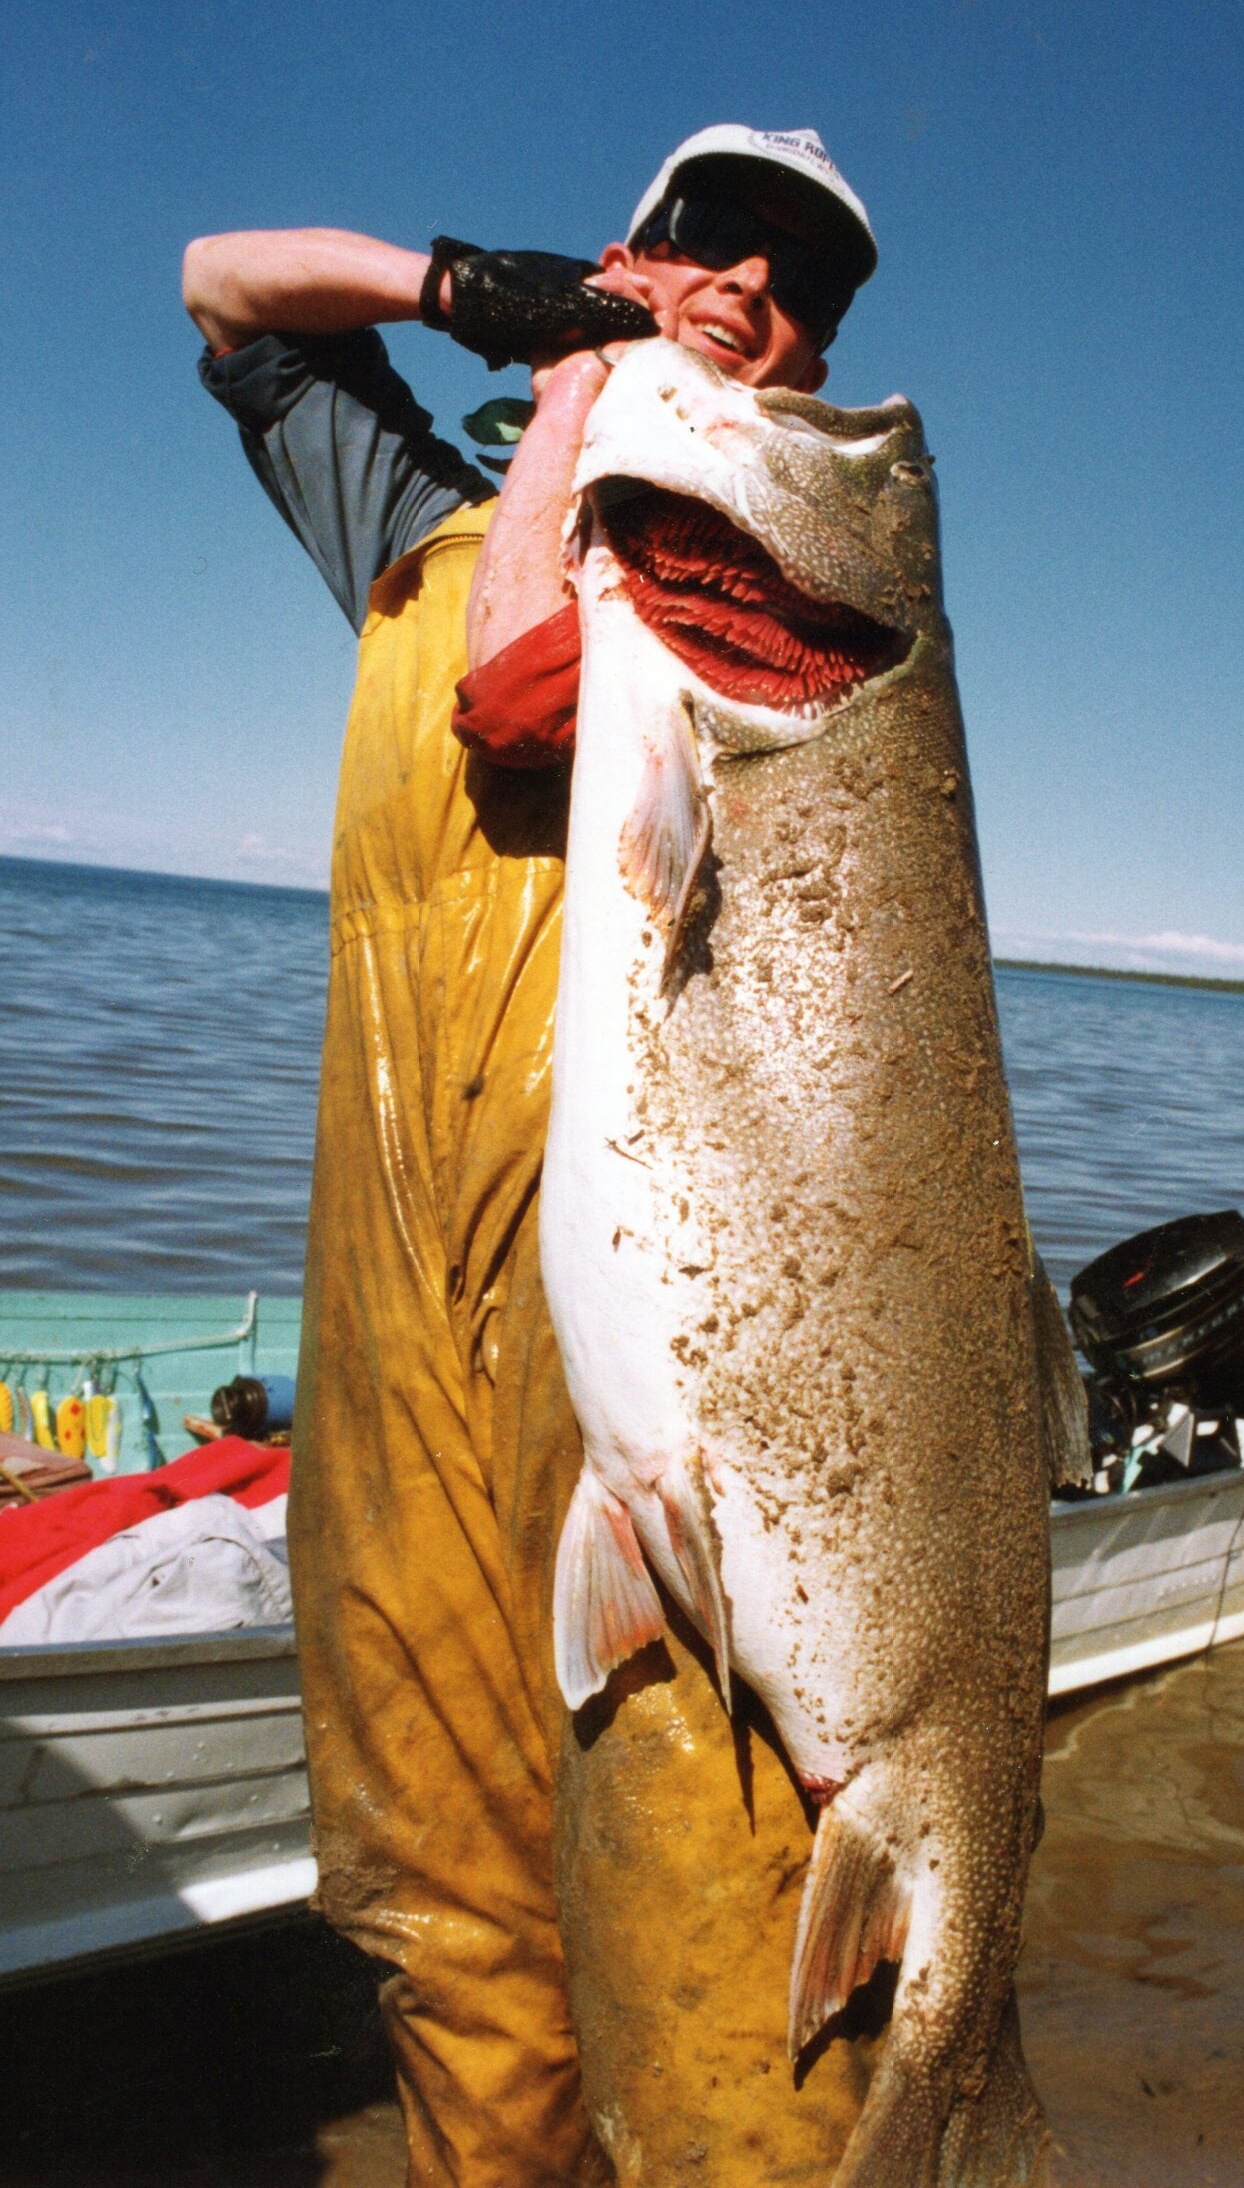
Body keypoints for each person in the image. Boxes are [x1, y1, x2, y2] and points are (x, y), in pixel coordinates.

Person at [183, 127, 882, 2188]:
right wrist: (458, 292)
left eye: (803, 282)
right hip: (397, 1300)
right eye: (708, 239)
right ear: (623, 252)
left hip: (658, 1326)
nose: (751, 283)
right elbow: (225, 281)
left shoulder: (800, 595)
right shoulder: (425, 521)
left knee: (724, 1898)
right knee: (444, 1897)